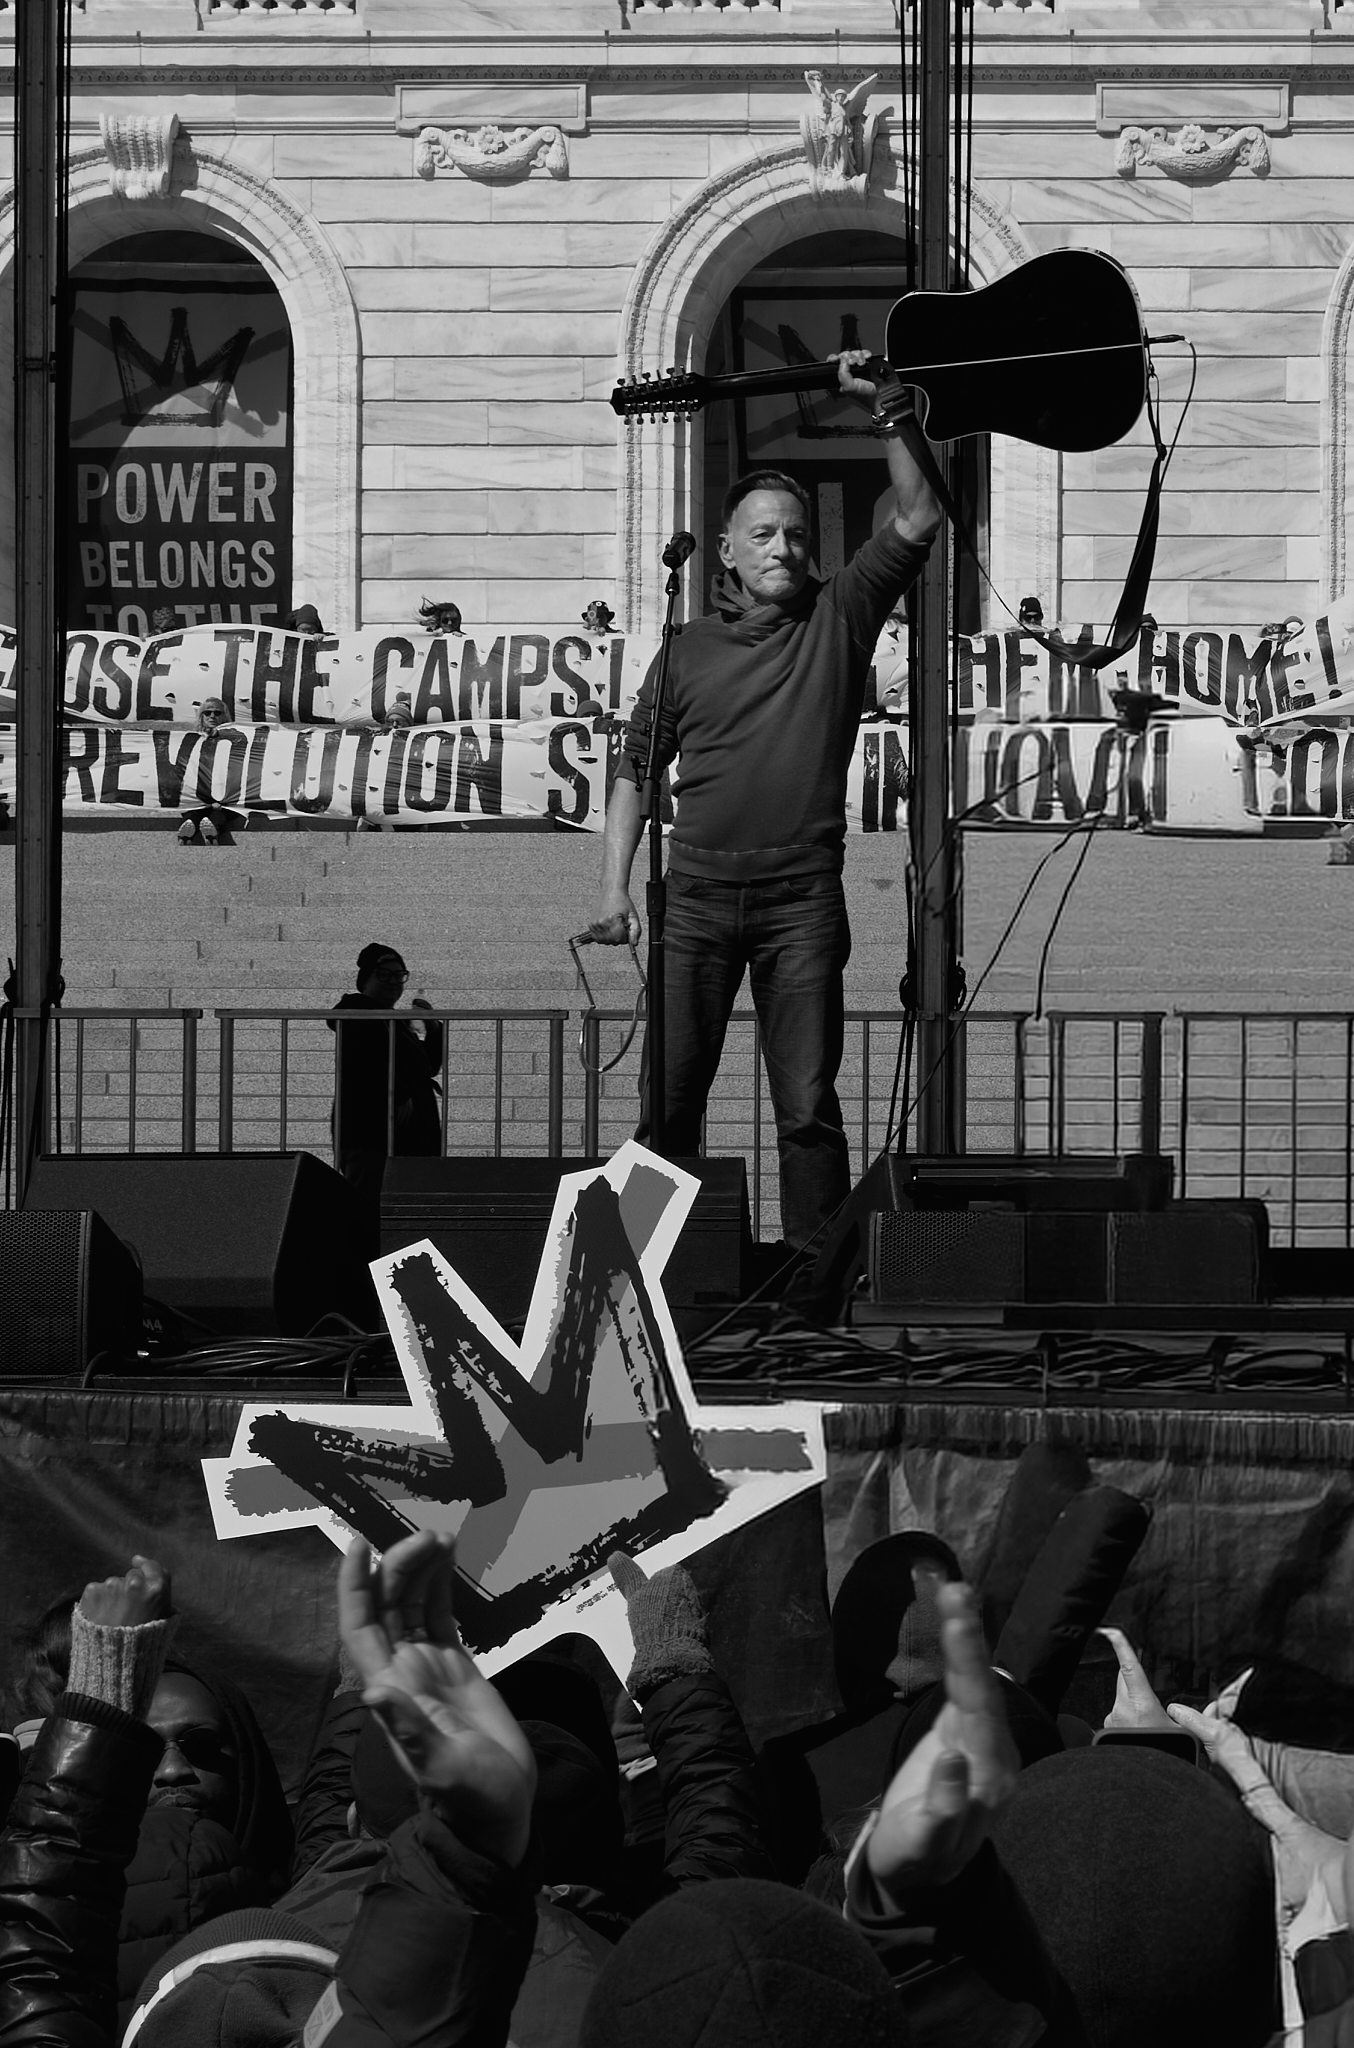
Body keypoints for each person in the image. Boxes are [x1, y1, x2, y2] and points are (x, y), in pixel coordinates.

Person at [588, 352, 941, 1255]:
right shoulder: (684, 649)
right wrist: (614, 889)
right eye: (762, 536)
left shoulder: (843, 614)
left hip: (800, 906)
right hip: (695, 903)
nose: (782, 547)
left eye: (793, 533)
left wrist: (888, 408)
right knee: (667, 1114)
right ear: (730, 552)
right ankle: (620, 1306)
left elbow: (918, 513)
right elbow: (633, 769)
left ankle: (813, 1309)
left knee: (808, 1111)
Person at [328, 944, 444, 1224]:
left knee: (398, 1215)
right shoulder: (358, 1014)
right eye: (384, 974)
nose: (393, 981)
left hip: (405, 1133)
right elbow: (367, 1065)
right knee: (368, 1210)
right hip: (370, 1133)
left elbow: (426, 1066)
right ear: (365, 979)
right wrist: (398, 1095)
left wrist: (434, 1028)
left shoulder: (392, 1021)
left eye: (399, 974)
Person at [177, 698, 246, 846]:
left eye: (217, 713)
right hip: (200, 796)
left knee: (220, 814)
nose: (212, 716)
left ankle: (210, 830)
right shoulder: (193, 740)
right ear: (201, 716)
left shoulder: (237, 739)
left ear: (224, 716)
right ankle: (189, 829)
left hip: (227, 797)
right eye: (207, 713)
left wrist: (223, 798)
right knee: (193, 813)